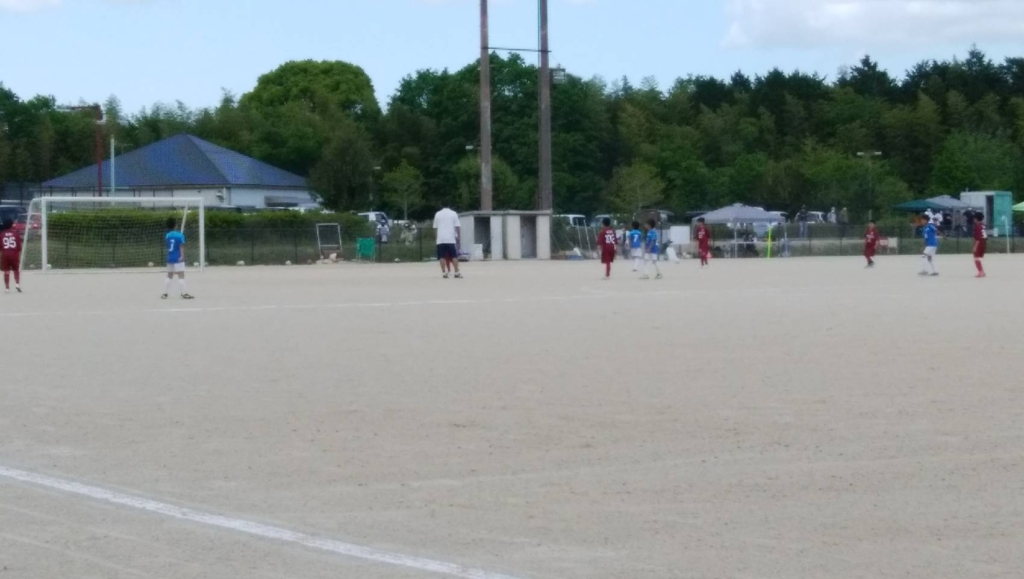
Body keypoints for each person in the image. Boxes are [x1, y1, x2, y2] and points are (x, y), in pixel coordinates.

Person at [162, 217, 194, 299]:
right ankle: (184, 293)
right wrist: (182, 256)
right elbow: (181, 246)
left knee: (169, 275)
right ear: (175, 225)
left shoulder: (167, 235)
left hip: (170, 256)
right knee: (181, 275)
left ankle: (164, 293)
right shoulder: (180, 235)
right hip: (178, 257)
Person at [433, 206, 462, 279]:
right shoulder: (453, 213)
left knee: (442, 256)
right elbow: (457, 226)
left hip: (441, 239)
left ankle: (444, 272)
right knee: (454, 256)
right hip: (450, 239)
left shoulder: (437, 214)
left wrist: (436, 238)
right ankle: (456, 272)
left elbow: (435, 228)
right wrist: (459, 237)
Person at [1, 219, 22, 293]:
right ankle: (17, 284)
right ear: (11, 225)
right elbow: (19, 246)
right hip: (14, 254)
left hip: (5, 254)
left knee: (6, 271)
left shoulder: (2, 234)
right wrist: (19, 253)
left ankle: (7, 288)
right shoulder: (16, 234)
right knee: (16, 270)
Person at [973, 213, 987, 278]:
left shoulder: (977, 226)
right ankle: (982, 271)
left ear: (976, 219)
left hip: (980, 242)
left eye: (974, 218)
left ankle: (981, 271)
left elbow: (978, 238)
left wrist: (975, 246)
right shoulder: (982, 225)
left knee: (976, 257)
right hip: (984, 241)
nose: (973, 219)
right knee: (977, 257)